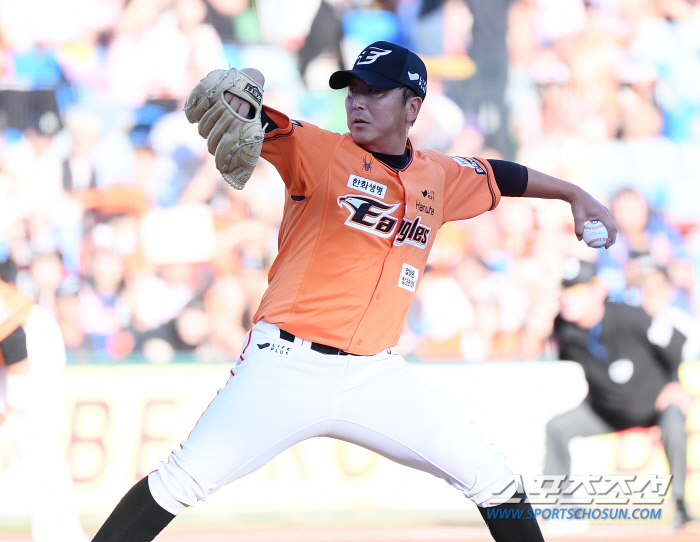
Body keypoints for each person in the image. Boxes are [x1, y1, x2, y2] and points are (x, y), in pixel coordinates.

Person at [91, 41, 616, 542]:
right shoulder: (316, 151)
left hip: (375, 374)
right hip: (284, 366)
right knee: (181, 481)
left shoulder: (440, 175)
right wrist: (246, 85)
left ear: (413, 106)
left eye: (374, 91)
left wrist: (575, 193)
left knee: (492, 476)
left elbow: (501, 175)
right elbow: (237, 105)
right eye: (353, 90)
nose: (358, 102)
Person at [545, 258, 695, 531]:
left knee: (675, 424)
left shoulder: (631, 316)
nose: (567, 297)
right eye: (564, 289)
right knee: (557, 428)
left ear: (598, 290)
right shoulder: (563, 327)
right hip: (607, 411)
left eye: (576, 289)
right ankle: (560, 508)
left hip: (654, 406)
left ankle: (681, 508)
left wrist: (674, 382)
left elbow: (677, 344)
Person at [0, 264, 87, 542]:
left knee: (35, 443)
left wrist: (12, 421)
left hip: (33, 343)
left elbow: (15, 345)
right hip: (15, 350)